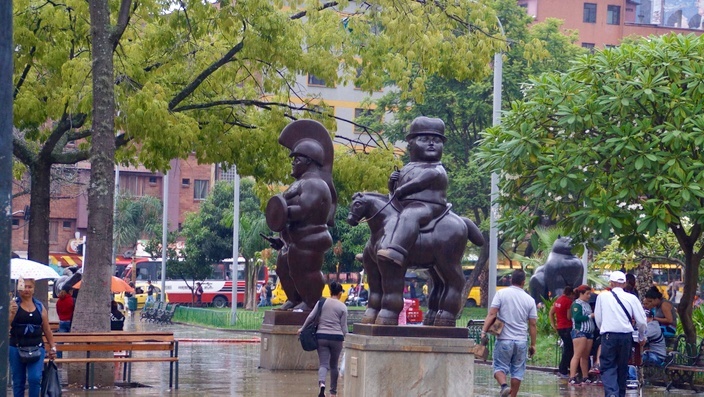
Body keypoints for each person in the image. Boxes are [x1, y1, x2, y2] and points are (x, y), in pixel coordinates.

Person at [265, 120, 337, 311]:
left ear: (309, 161)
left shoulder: (315, 184)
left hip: (309, 238)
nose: (293, 163)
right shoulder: (300, 183)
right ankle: (294, 299)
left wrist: (284, 214)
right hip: (292, 241)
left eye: (296, 159)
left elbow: (304, 209)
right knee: (283, 269)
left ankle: (311, 302)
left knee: (304, 271)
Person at [377, 116, 448, 267]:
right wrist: (392, 183)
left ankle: (397, 250)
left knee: (410, 215)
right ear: (411, 145)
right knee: (384, 218)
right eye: (425, 139)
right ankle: (373, 250)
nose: (431, 144)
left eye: (436, 141)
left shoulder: (435, 168)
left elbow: (420, 182)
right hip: (404, 204)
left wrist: (402, 189)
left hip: (429, 206)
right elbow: (395, 191)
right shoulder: (409, 167)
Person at [481, 269, 537, 397]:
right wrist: (533, 344)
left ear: (511, 280)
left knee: (499, 367)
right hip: (521, 341)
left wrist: (484, 331)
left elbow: (492, 314)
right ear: (523, 282)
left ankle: (504, 386)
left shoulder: (501, 294)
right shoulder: (530, 300)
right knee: (517, 372)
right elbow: (533, 324)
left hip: (504, 339)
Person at [594, 271, 647, 397]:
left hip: (608, 336)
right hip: (626, 336)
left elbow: (598, 318)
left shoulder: (602, 296)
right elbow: (641, 320)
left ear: (611, 283)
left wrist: (604, 329)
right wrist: (641, 336)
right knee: (622, 367)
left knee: (607, 366)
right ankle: (620, 394)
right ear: (624, 284)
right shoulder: (632, 298)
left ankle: (612, 393)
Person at [298, 281, 348, 397]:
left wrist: (302, 328)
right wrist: (347, 338)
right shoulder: (343, 307)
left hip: (321, 337)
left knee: (323, 364)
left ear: (330, 292)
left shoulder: (322, 302)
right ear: (340, 293)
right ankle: (333, 393)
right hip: (337, 338)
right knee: (334, 365)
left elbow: (311, 317)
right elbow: (344, 327)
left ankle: (322, 385)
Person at [9, 278, 57, 397]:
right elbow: (5, 327)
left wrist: (53, 346)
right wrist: (11, 314)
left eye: (29, 287)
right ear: (18, 288)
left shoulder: (40, 307)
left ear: (34, 289)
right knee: (18, 380)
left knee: (35, 378)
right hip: (16, 347)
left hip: (36, 347)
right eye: (24, 287)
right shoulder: (13, 305)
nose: (27, 289)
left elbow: (46, 329)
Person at [569, 285, 596, 386]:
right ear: (581, 293)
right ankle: (572, 377)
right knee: (577, 355)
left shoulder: (587, 304)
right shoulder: (577, 304)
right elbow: (577, 318)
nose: (589, 296)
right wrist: (590, 316)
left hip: (589, 332)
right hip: (580, 331)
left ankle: (585, 376)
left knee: (585, 356)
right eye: (587, 294)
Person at [549, 286, 574, 378]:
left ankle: (563, 369)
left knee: (566, 348)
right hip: (567, 327)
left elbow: (551, 313)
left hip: (560, 327)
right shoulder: (569, 302)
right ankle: (563, 370)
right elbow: (568, 316)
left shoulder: (558, 300)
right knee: (569, 349)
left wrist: (553, 325)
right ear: (571, 294)